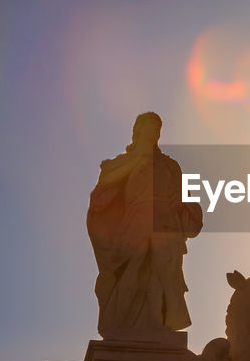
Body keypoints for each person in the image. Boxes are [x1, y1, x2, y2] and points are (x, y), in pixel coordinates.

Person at [87, 112, 203, 337]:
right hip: (135, 219)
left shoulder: (170, 165)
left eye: (158, 128)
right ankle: (120, 322)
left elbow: (186, 196)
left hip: (165, 221)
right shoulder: (122, 161)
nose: (155, 132)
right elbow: (105, 185)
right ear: (138, 130)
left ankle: (157, 324)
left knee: (162, 275)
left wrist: (182, 201)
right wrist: (137, 161)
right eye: (150, 127)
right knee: (133, 266)